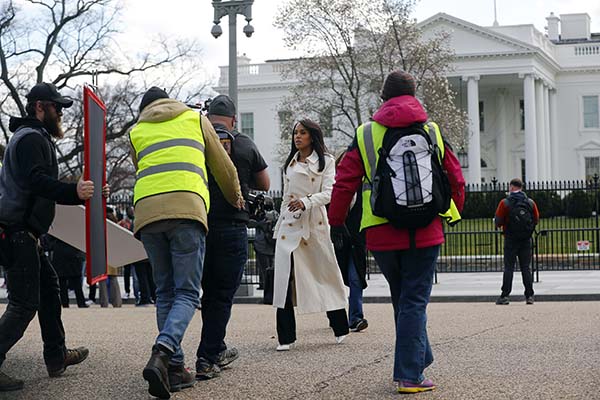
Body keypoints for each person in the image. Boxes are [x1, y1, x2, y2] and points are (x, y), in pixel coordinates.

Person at [328, 70, 464, 393]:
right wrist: (452, 211)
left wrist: (336, 221)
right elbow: (455, 177)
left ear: (382, 98)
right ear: (414, 94)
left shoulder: (365, 134)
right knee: (414, 301)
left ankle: (418, 359)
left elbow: (344, 180)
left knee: (404, 299)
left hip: (382, 233)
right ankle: (408, 375)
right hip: (427, 231)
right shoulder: (431, 130)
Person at [130, 87, 243, 398]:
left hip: (147, 214)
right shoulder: (195, 117)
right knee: (188, 293)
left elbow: (142, 166)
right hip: (186, 210)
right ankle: (163, 351)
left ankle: (175, 368)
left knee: (164, 291)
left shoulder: (136, 130)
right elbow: (223, 167)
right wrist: (236, 199)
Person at [0, 82, 109, 392]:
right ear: (39, 107)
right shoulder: (32, 139)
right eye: (56, 106)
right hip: (18, 231)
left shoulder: (30, 137)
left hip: (22, 232)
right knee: (23, 304)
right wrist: (74, 191)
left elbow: (41, 184)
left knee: (49, 289)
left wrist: (82, 194)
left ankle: (56, 355)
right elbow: (37, 182)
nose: (60, 112)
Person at [194, 94, 269, 380]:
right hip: (232, 225)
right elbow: (265, 183)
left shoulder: (195, 140)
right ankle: (207, 357)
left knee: (205, 291)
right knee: (222, 294)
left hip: (199, 224)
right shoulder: (244, 143)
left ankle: (215, 347)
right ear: (234, 120)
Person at [273, 119, 349, 352]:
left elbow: (330, 193)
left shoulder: (326, 161)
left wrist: (306, 202)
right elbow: (286, 197)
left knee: (325, 276)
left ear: (312, 136)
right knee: (284, 282)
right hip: (291, 227)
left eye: (302, 132)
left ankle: (340, 327)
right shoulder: (290, 164)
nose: (297, 136)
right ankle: (285, 338)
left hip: (314, 226)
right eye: (295, 132)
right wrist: (278, 227)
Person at [332, 152, 368, 333]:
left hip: (356, 241)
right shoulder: (331, 186)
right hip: (336, 241)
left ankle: (355, 317)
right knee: (335, 281)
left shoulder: (364, 187)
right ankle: (336, 317)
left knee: (355, 279)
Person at [494, 178, 540, 305]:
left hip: (510, 239)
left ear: (512, 187)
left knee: (509, 267)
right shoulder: (530, 203)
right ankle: (529, 296)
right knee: (526, 268)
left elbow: (498, 221)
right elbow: (536, 219)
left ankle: (505, 296)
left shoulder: (505, 203)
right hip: (526, 239)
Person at [253, 197, 279, 304]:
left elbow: (251, 223)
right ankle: (272, 294)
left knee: (264, 272)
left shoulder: (260, 215)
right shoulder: (276, 214)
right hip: (272, 245)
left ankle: (267, 295)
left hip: (262, 245)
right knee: (273, 272)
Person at [52, 238, 88, 308]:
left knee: (62, 283)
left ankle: (65, 303)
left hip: (60, 254)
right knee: (76, 283)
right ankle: (81, 303)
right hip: (72, 253)